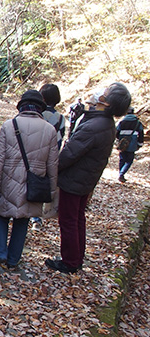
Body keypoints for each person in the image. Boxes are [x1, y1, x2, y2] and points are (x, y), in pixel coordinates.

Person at [45, 83, 131, 274]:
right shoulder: (105, 123)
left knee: (68, 220)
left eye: (105, 92)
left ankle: (70, 261)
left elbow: (70, 154)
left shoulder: (95, 125)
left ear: (106, 102)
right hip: (86, 179)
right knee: (77, 219)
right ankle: (76, 257)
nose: (100, 92)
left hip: (75, 180)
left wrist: (51, 169)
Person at [0, 90, 58, 269]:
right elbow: (53, 165)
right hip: (34, 183)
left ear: (21, 106)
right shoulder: (49, 130)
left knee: (2, 216)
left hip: (8, 181)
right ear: (40, 108)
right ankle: (13, 259)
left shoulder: (9, 126)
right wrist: (52, 192)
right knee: (23, 220)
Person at [31, 83, 65, 230]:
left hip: (34, 154)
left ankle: (33, 216)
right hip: (51, 156)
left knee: (31, 182)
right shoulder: (60, 118)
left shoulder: (38, 114)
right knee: (42, 185)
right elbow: (60, 138)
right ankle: (38, 216)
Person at [116, 106, 144, 182]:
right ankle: (121, 174)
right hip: (132, 143)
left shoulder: (122, 122)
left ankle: (120, 174)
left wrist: (119, 140)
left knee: (122, 159)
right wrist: (140, 144)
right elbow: (141, 134)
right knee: (129, 161)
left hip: (122, 143)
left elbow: (117, 132)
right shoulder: (137, 122)